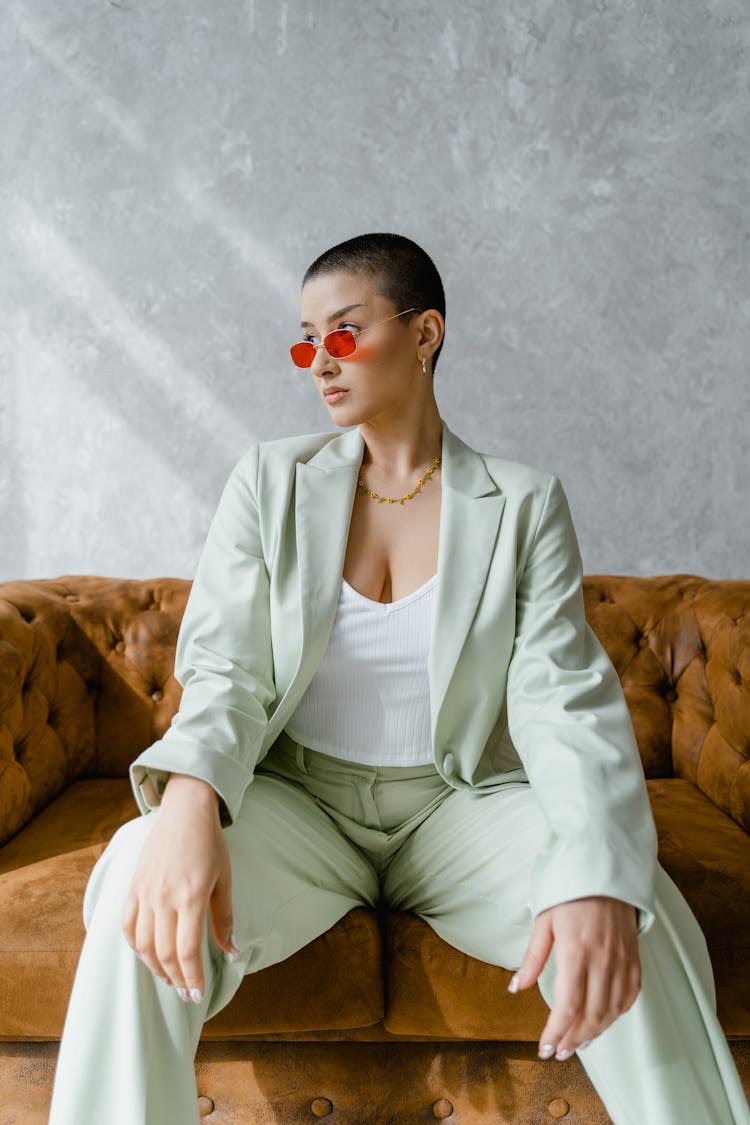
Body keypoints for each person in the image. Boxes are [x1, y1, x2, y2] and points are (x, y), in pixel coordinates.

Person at [48, 233, 750, 1125]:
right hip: (300, 804)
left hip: (459, 808)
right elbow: (224, 668)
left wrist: (597, 873)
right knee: (133, 873)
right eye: (307, 340)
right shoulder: (270, 481)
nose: (319, 361)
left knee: (636, 900)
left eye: (344, 332)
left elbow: (560, 702)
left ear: (425, 334)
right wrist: (189, 801)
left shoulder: (522, 502)